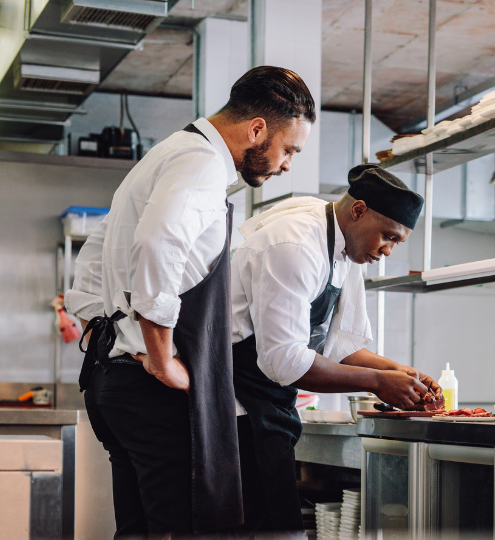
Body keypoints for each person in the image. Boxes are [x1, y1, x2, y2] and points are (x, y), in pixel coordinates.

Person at [64, 66, 316, 536]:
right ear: (256, 128)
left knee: (140, 531)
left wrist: (105, 330)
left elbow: (93, 256)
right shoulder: (200, 163)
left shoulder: (168, 153)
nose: (286, 164)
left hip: (114, 381)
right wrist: (160, 360)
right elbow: (158, 246)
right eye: (289, 149)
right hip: (149, 389)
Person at [230, 164, 439, 532]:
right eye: (387, 236)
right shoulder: (295, 244)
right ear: (358, 211)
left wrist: (398, 373)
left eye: (397, 242)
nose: (387, 250)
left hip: (270, 404)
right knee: (263, 528)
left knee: (280, 526)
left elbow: (340, 346)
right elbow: (284, 360)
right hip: (236, 406)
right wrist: (377, 382)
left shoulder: (346, 249)